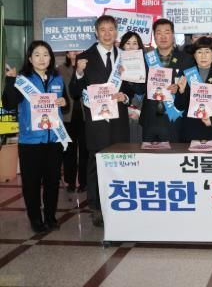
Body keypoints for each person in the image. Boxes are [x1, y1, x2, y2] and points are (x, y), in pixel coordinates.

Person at [69, 15, 138, 227]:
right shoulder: (84, 58)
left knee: (120, 163)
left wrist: (125, 97)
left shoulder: (126, 57)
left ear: (116, 31)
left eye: (111, 29)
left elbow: (133, 88)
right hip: (96, 122)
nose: (107, 34)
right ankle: (96, 207)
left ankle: (120, 204)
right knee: (95, 164)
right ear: (96, 32)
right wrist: (79, 73)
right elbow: (74, 92)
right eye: (103, 30)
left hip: (119, 121)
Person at [3, 41, 68, 233]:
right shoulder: (22, 80)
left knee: (52, 181)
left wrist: (64, 102)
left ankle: (50, 216)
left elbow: (65, 106)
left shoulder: (57, 78)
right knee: (31, 184)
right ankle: (36, 219)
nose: (41, 58)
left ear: (51, 58)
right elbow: (9, 104)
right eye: (37, 55)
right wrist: (10, 81)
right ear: (30, 59)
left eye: (45, 54)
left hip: (54, 140)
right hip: (30, 142)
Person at [140, 19, 194, 143]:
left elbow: (193, 89)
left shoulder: (186, 59)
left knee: (173, 154)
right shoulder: (146, 59)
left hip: (174, 120)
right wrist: (128, 75)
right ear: (154, 36)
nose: (163, 36)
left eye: (167, 32)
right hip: (150, 119)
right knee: (149, 154)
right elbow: (139, 89)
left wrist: (180, 90)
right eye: (159, 33)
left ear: (173, 35)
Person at [177, 37, 212, 143]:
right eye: (199, 52)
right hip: (190, 130)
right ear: (194, 55)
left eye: (207, 52)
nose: (203, 56)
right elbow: (179, 106)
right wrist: (181, 91)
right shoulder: (186, 74)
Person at [57, 51, 88, 193]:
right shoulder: (60, 69)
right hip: (67, 115)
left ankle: (83, 182)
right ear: (67, 53)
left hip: (85, 115)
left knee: (85, 150)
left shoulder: (88, 67)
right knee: (69, 151)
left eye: (77, 49)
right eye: (71, 50)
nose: (75, 52)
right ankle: (70, 181)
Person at [119, 31, 146, 143]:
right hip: (122, 112)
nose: (131, 46)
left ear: (139, 46)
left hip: (142, 112)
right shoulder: (116, 64)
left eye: (135, 43)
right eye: (128, 43)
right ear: (123, 46)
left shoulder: (147, 63)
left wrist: (139, 111)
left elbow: (147, 89)